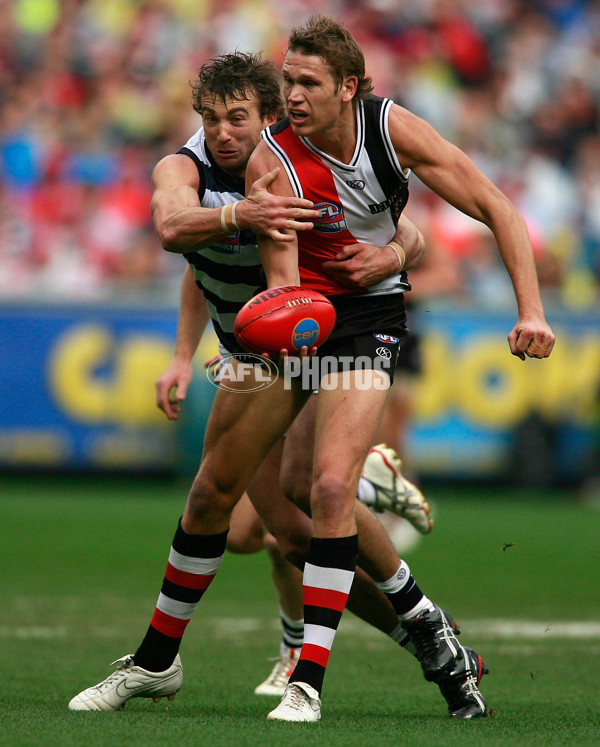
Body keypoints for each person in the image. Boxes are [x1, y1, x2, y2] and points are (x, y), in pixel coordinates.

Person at [68, 50, 487, 721]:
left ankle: (345, 640)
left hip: (302, 348)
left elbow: (404, 232)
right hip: (253, 355)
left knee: (311, 501)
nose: (221, 133)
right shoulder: (186, 166)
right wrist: (183, 352)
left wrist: (392, 254)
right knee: (261, 529)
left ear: (268, 120)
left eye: (237, 118)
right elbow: (181, 241)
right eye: (210, 118)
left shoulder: (293, 166)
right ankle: (422, 625)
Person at [243, 15, 555, 722]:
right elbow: (287, 277)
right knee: (281, 516)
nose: (291, 94)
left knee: (326, 486)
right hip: (303, 317)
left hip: (369, 318)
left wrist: (530, 309)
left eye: (308, 82)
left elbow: (497, 207)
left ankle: (307, 683)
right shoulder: (273, 159)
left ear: (348, 86)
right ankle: (426, 619)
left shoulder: (392, 131)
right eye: (287, 79)